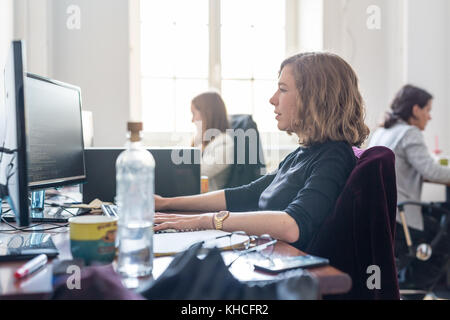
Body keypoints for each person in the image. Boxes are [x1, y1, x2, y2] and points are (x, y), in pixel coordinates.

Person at [155, 52, 370, 250]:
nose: (272, 99)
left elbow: (291, 225)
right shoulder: (303, 153)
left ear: (315, 99)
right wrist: (167, 203)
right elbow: (248, 193)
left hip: (296, 276)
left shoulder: (334, 157)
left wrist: (208, 220)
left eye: (283, 89)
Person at [369, 85, 450, 256]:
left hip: (378, 211)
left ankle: (405, 278)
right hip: (399, 217)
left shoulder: (382, 131)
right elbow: (433, 172)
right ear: (415, 109)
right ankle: (412, 281)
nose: (429, 117)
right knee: (444, 234)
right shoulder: (409, 133)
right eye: (427, 110)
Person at [190, 91, 234, 191]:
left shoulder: (225, 143)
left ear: (207, 114)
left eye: (194, 113)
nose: (192, 120)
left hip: (208, 200)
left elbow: (199, 171)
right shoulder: (205, 142)